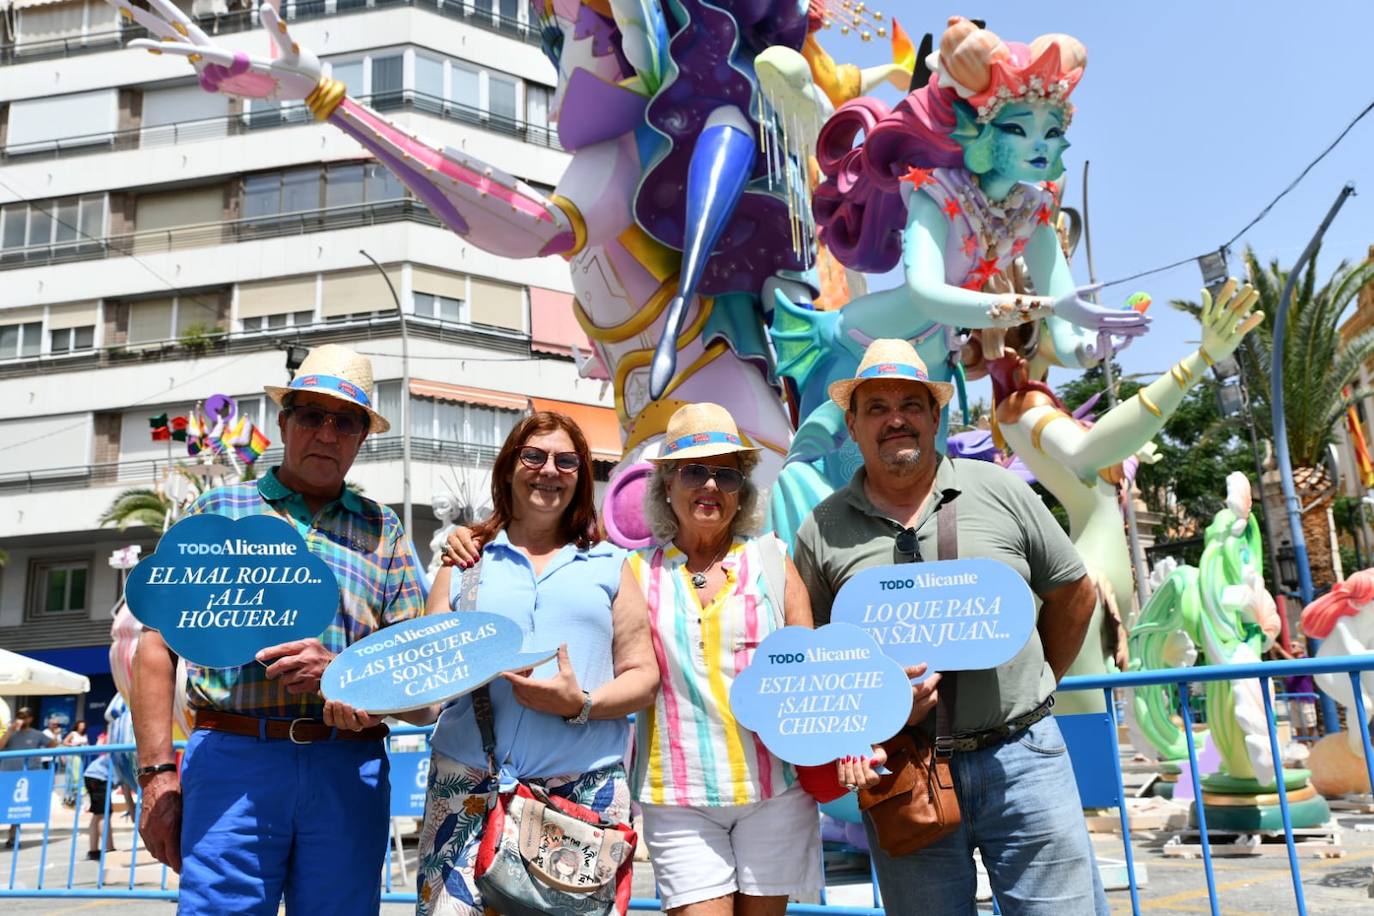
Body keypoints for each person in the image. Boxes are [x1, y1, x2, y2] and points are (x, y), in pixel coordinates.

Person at [795, 339, 1105, 915]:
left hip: (1024, 756)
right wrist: (877, 712)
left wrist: (1033, 684)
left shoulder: (1002, 490)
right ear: (853, 426)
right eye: (877, 407)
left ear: (935, 417)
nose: (896, 420)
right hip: (904, 770)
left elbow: (1075, 592)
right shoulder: (822, 528)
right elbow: (818, 660)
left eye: (911, 405)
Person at [129, 344, 427, 915]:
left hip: (348, 766)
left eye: (345, 422)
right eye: (312, 415)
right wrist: (157, 775)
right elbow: (156, 643)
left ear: (363, 437)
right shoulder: (220, 510)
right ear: (284, 423)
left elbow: (418, 682)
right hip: (232, 757)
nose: (327, 432)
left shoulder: (383, 530)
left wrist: (344, 677)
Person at [420, 410, 659, 916]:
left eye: (566, 460)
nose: (549, 470)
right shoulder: (465, 561)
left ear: (582, 476)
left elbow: (643, 677)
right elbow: (426, 682)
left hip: (581, 797)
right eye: (534, 456)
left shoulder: (611, 565)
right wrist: (375, 700)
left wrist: (583, 703)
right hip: (468, 789)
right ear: (509, 467)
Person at [633, 402, 822, 914]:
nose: (710, 486)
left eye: (726, 475)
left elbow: (810, 670)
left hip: (775, 790)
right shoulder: (634, 572)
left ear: (743, 490)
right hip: (677, 796)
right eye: (694, 472)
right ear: (666, 485)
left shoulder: (772, 560)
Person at [1, 707, 57, 848]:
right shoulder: (11, 733)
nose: (21, 719)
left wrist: (54, 735)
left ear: (30, 719)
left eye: (24, 716)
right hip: (7, 774)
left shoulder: (37, 734)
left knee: (17, 807)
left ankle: (13, 837)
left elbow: (53, 745)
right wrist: (10, 731)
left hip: (26, 775)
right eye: (19, 715)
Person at [83, 745, 116, 861]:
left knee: (98, 814)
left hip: (92, 774)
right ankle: (110, 850)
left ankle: (93, 851)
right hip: (99, 776)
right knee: (104, 814)